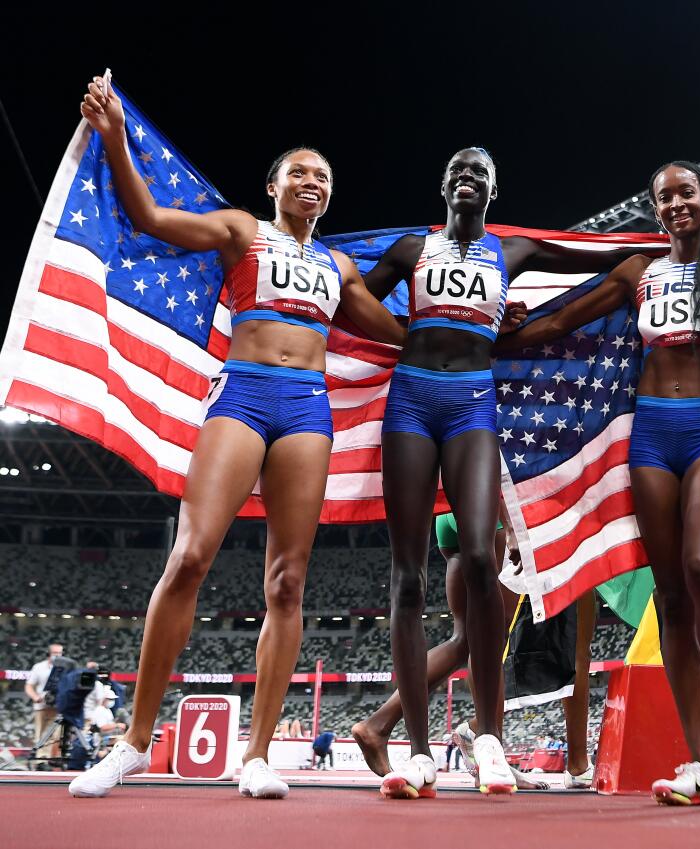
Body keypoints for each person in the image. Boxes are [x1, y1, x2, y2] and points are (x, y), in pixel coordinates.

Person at [68, 76, 407, 800]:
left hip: (307, 410)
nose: (312, 181)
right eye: (299, 173)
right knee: (190, 555)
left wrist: (473, 330)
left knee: (287, 581)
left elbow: (400, 333)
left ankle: (256, 755)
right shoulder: (240, 230)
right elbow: (150, 215)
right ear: (275, 186)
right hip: (244, 395)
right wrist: (115, 136)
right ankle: (132, 742)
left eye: (322, 176)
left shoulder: (338, 267)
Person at [495, 160, 700, 812]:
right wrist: (495, 332)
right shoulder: (641, 273)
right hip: (650, 438)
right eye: (664, 198)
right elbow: (562, 323)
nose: (675, 205)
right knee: (669, 595)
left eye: (685, 193)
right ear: (657, 210)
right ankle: (696, 758)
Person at [359, 147, 658, 798]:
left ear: (492, 193)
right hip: (410, 400)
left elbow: (597, 258)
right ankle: (416, 750)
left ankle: (489, 739)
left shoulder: (512, 251)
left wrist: (669, 248)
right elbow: (352, 298)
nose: (468, 178)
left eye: (481, 174)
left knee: (478, 557)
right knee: (407, 575)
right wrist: (402, 331)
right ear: (443, 185)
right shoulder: (412, 251)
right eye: (459, 170)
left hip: (472, 404)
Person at [353, 512, 594, 793]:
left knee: (466, 638)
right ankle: (498, 755)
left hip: (449, 514)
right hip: (496, 506)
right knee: (491, 635)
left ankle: (378, 725)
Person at [25, 644, 64, 759]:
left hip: (58, 707)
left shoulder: (65, 668)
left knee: (54, 735)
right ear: (48, 654)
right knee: (40, 734)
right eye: (55, 653)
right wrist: (35, 697)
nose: (57, 655)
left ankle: (47, 759)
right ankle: (40, 760)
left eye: (60, 653)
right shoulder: (39, 667)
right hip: (41, 706)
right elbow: (29, 686)